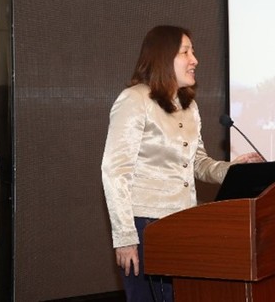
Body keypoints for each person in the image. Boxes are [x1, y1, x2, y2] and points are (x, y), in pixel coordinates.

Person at [101, 25, 263, 302]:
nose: (194, 60)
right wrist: (125, 237)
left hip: (183, 222)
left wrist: (232, 169)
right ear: (164, 57)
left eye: (193, 52)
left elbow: (198, 163)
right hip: (145, 226)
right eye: (185, 52)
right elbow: (115, 171)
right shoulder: (134, 100)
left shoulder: (189, 106)